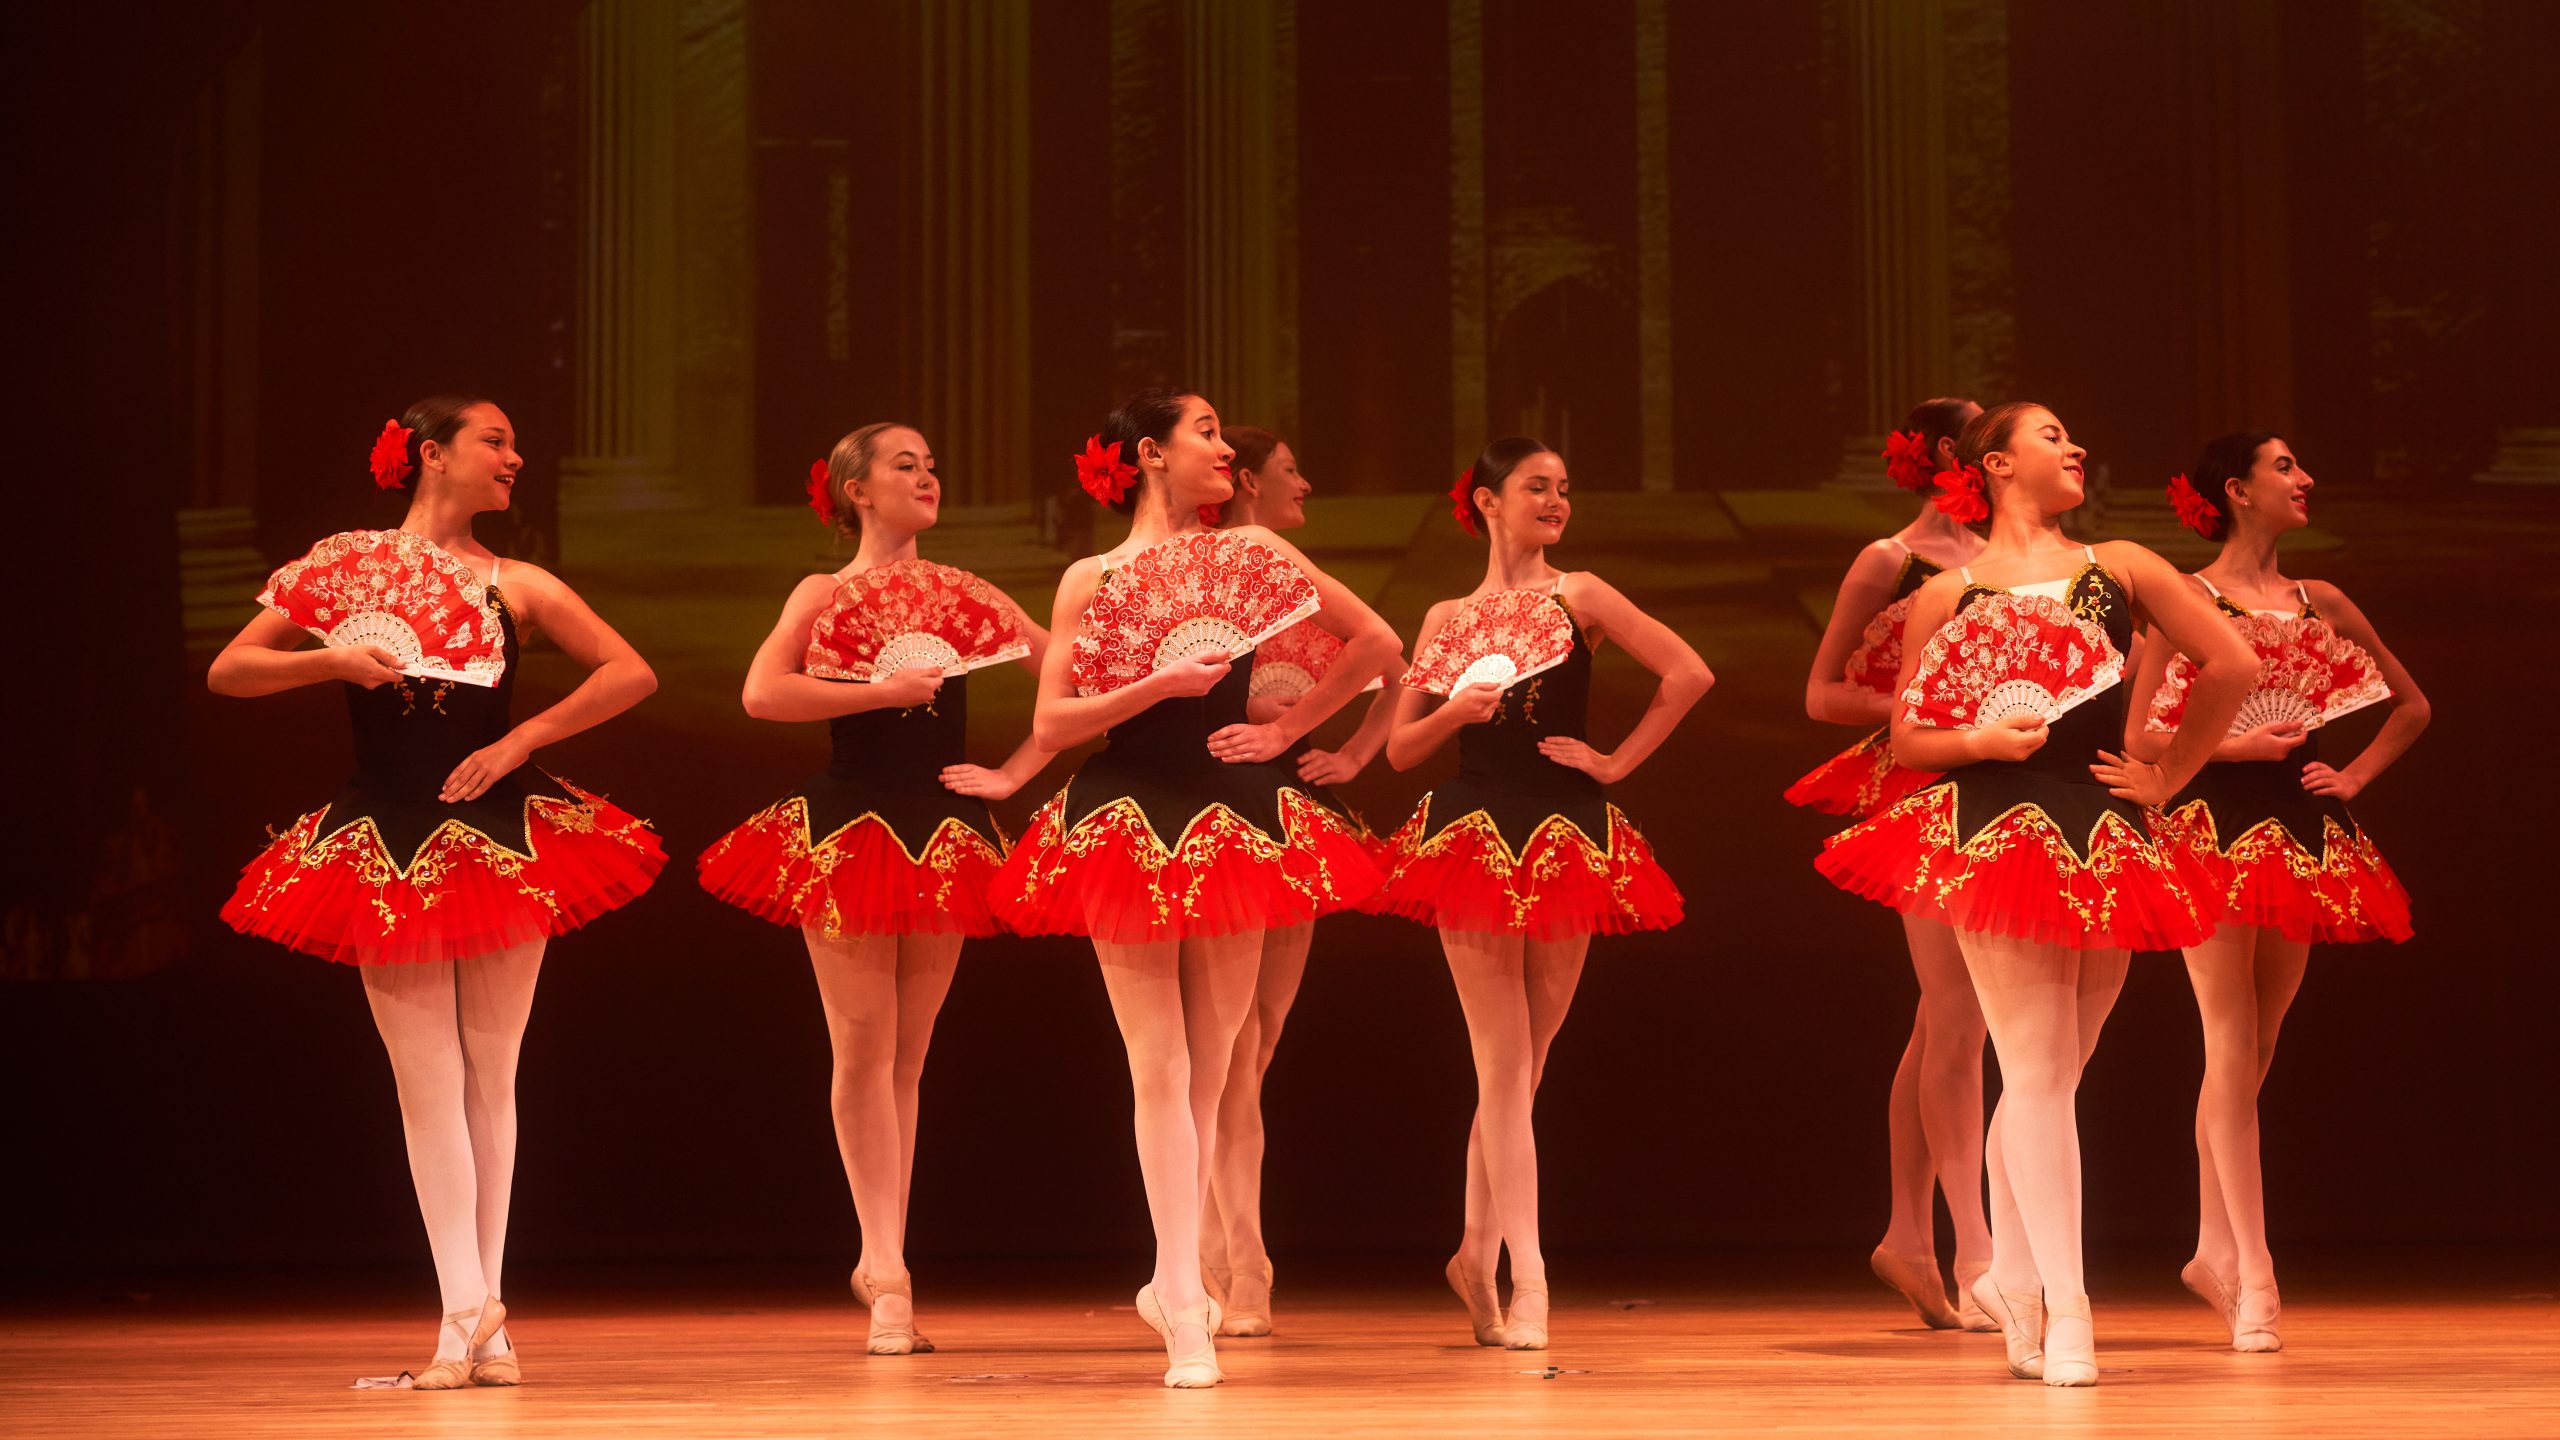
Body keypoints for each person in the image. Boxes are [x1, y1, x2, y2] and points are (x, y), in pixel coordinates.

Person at [211, 396, 663, 1387]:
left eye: (514, 441)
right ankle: (467, 1314)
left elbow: (630, 672)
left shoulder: (517, 582)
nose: (515, 456)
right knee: (428, 1087)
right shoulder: (349, 565)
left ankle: (478, 1324)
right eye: (494, 440)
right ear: (431, 454)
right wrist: (335, 657)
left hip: (502, 832)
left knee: (492, 1078)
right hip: (384, 835)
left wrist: (521, 739)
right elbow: (232, 669)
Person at [1814, 402, 2255, 1385]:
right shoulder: (1947, 594)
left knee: (2046, 1079)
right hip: (1996, 833)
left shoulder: (2122, 566)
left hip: (2103, 833)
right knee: (2038, 1074)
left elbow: (2233, 662)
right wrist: (1979, 739)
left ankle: (2014, 1277)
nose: (2076, 446)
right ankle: (2067, 1308)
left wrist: (2169, 774)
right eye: (2052, 436)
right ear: (1997, 465)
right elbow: (1908, 737)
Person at [992, 389, 1398, 1387]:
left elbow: (1380, 645)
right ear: (1148, 453)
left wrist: (1286, 729)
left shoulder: (1252, 554)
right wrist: (1155, 687)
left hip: (1233, 815)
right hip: (1125, 816)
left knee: (1214, 1070)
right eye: (1205, 432)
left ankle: (1188, 1276)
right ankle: (1181, 1294)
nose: (1223, 449)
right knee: (1159, 1066)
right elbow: (1051, 723)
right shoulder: (1092, 577)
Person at [698, 422, 1053, 1355]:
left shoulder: (966, 592)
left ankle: (884, 1256)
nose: (928, 476)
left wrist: (1014, 772)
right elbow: (763, 694)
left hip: (941, 832)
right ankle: (888, 1271)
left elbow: (1072, 685)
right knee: (863, 1049)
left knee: (908, 1059)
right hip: (849, 830)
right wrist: (878, 694)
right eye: (905, 465)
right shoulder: (823, 592)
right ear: (856, 490)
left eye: (932, 465)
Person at [1370, 438, 1710, 1350]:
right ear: (1487, 501)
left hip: (1565, 833)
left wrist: (1616, 762)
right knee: (1502, 1068)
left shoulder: (1581, 594)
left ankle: (1474, 1252)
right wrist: (1455, 709)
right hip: (1473, 835)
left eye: (1564, 488)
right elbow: (1400, 751)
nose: (1556, 501)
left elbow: (1689, 672)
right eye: (1536, 487)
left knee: (1525, 1070)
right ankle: (1530, 1279)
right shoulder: (1447, 617)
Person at [2127, 432, 2426, 1353]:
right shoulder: (2185, 599)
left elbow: (2411, 705)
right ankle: (2254, 1269)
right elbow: (2141, 736)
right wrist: (2232, 745)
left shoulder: (2318, 600)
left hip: (2298, 832)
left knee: (2256, 1046)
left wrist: (2355, 776)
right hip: (2210, 827)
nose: (2305, 480)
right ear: (2237, 490)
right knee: (2228, 1039)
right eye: (2285, 467)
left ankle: (2212, 1248)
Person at [1789, 398, 1997, 1330]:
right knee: (1956, 1016)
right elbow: (1822, 694)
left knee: (1943, 1022)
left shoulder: (2011, 562)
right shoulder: (1891, 560)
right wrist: (1922, 706)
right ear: (1953, 451)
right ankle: (1977, 1251)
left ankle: (1909, 1235)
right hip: (1923, 785)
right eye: (1988, 432)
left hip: (2003, 784)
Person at [1197, 426, 1403, 1337]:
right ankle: (1236, 1256)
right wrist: (1257, 714)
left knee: (1255, 1043)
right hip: (1221, 808)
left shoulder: (1282, 568)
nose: (1306, 483)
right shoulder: (1220, 564)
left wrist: (1345, 750)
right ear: (1246, 481)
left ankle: (1228, 1248)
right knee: (1227, 1047)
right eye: (1289, 471)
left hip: (1288, 817)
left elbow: (1390, 662)